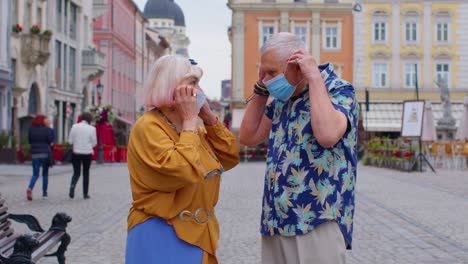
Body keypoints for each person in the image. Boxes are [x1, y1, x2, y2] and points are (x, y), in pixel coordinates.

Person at [240, 32, 358, 264]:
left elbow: (327, 135)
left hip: (316, 219)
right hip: (276, 219)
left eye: (272, 72)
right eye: (264, 72)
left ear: (296, 65)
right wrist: (262, 89)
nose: (267, 78)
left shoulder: (339, 90)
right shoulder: (283, 99)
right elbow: (249, 136)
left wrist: (314, 78)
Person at [125, 55, 240, 264]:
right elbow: (180, 170)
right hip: (161, 232)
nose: (199, 91)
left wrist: (208, 118)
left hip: (198, 232)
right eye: (193, 83)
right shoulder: (148, 126)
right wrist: (189, 121)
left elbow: (230, 156)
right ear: (170, 87)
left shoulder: (193, 128)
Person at [68, 112, 97, 199]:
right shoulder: (92, 129)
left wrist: (76, 145)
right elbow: (94, 142)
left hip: (76, 152)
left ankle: (72, 186)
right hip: (87, 153)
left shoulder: (74, 126)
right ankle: (85, 193)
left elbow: (70, 141)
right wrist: (88, 146)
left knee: (76, 172)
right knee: (86, 173)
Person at [27, 114, 54, 200]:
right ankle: (44, 193)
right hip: (45, 153)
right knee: (45, 174)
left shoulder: (31, 129)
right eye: (46, 119)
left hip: (35, 153)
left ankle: (30, 188)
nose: (47, 121)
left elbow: (30, 140)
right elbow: (50, 141)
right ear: (42, 121)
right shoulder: (47, 130)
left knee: (35, 174)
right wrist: (50, 128)